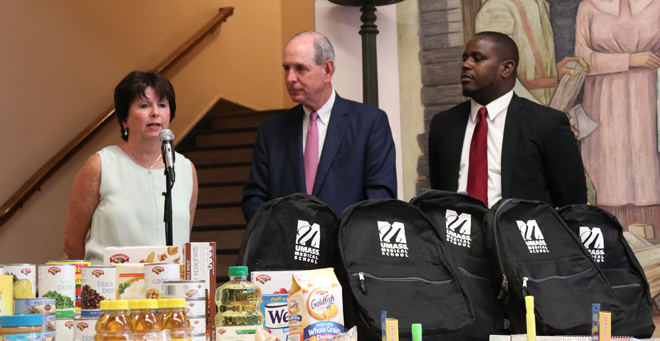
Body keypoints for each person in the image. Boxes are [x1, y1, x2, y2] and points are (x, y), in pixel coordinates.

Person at [241, 31, 397, 222]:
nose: (290, 78)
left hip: (346, 248)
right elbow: (254, 199)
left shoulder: (370, 123)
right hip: (287, 248)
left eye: (300, 68)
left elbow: (381, 198)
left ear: (327, 71)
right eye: (286, 68)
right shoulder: (271, 131)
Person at [428, 32, 587, 208]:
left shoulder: (547, 124)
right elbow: (439, 195)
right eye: (465, 58)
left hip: (518, 233)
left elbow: (573, 204)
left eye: (477, 59)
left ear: (506, 68)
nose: (465, 65)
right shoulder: (443, 124)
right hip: (458, 232)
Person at [62, 70, 198, 264]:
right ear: (124, 119)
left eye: (162, 105)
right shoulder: (101, 165)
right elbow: (71, 244)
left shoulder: (185, 169)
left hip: (169, 290)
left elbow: (182, 240)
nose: (155, 112)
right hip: (111, 290)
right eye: (144, 106)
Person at [575, 0, 660, 219]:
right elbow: (582, 60)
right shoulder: (589, 6)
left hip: (647, 97)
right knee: (605, 171)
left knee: (645, 165)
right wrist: (631, 59)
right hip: (602, 98)